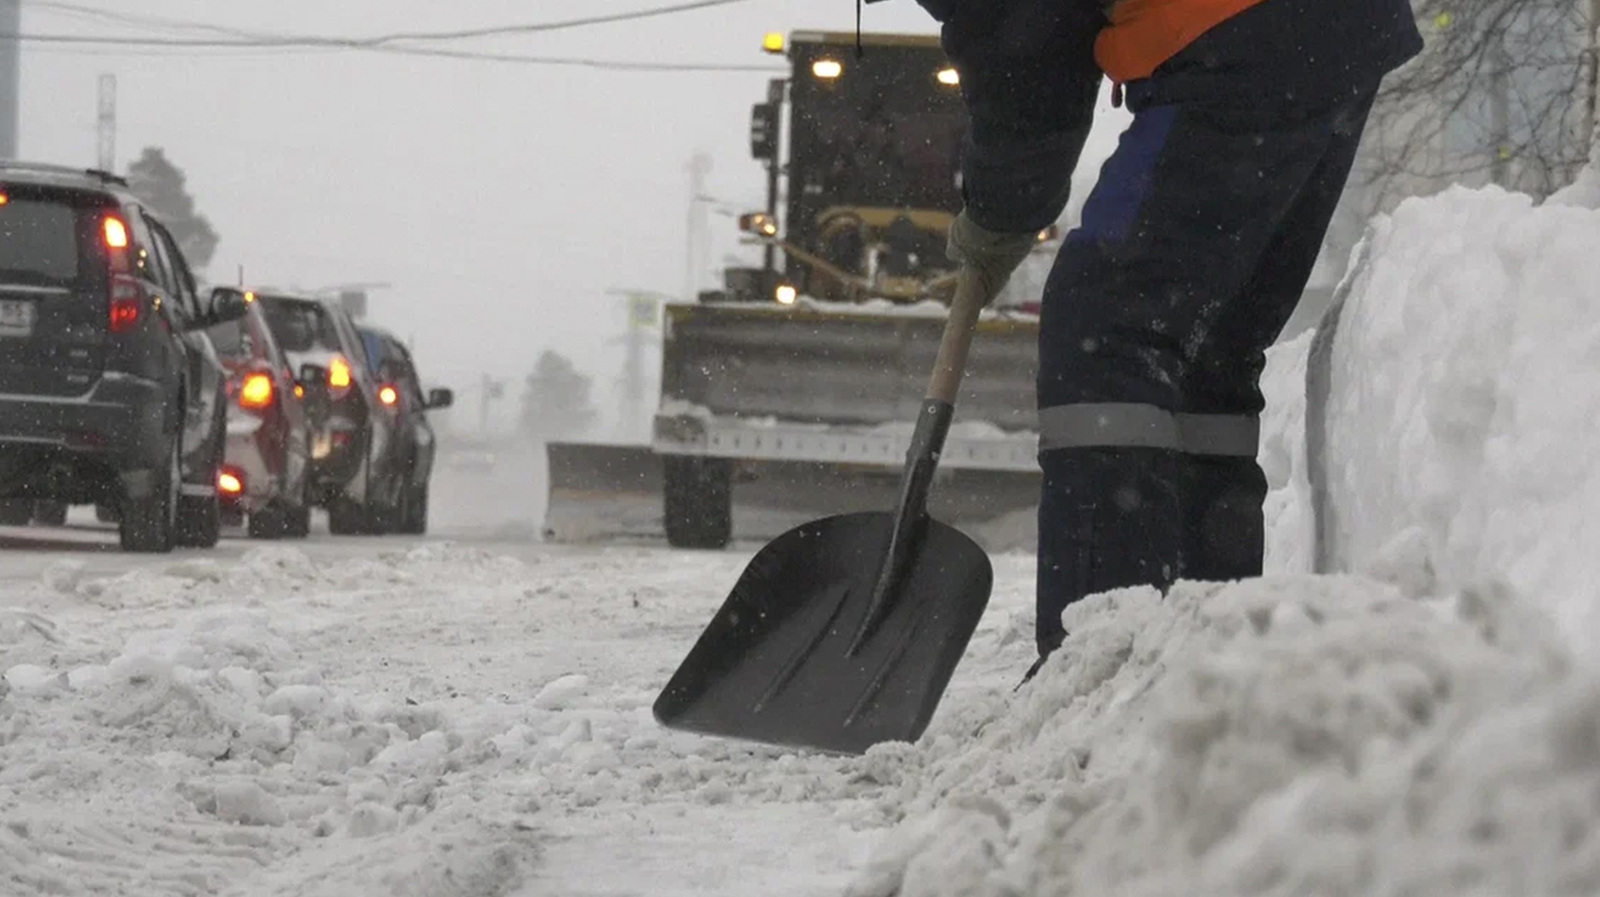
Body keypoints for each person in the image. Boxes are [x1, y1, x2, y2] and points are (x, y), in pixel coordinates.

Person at [910, 0, 1423, 677]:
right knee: (1205, 359)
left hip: (1233, 28)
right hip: (1331, 30)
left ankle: (1099, 665)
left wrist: (1001, 213)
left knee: (1105, 325)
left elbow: (1026, 45)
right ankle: (1204, 658)